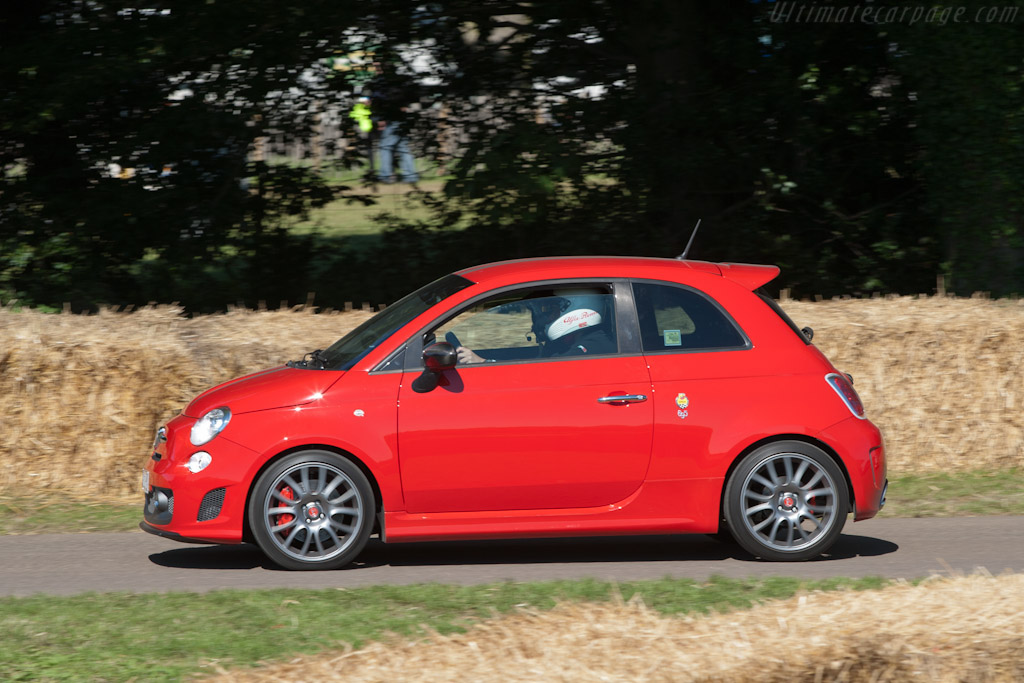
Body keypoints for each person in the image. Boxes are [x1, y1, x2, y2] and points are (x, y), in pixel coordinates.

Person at [455, 292, 615, 364]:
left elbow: (543, 375)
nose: (547, 317)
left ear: (575, 310)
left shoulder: (593, 346)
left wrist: (484, 362)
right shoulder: (563, 344)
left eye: (552, 310)